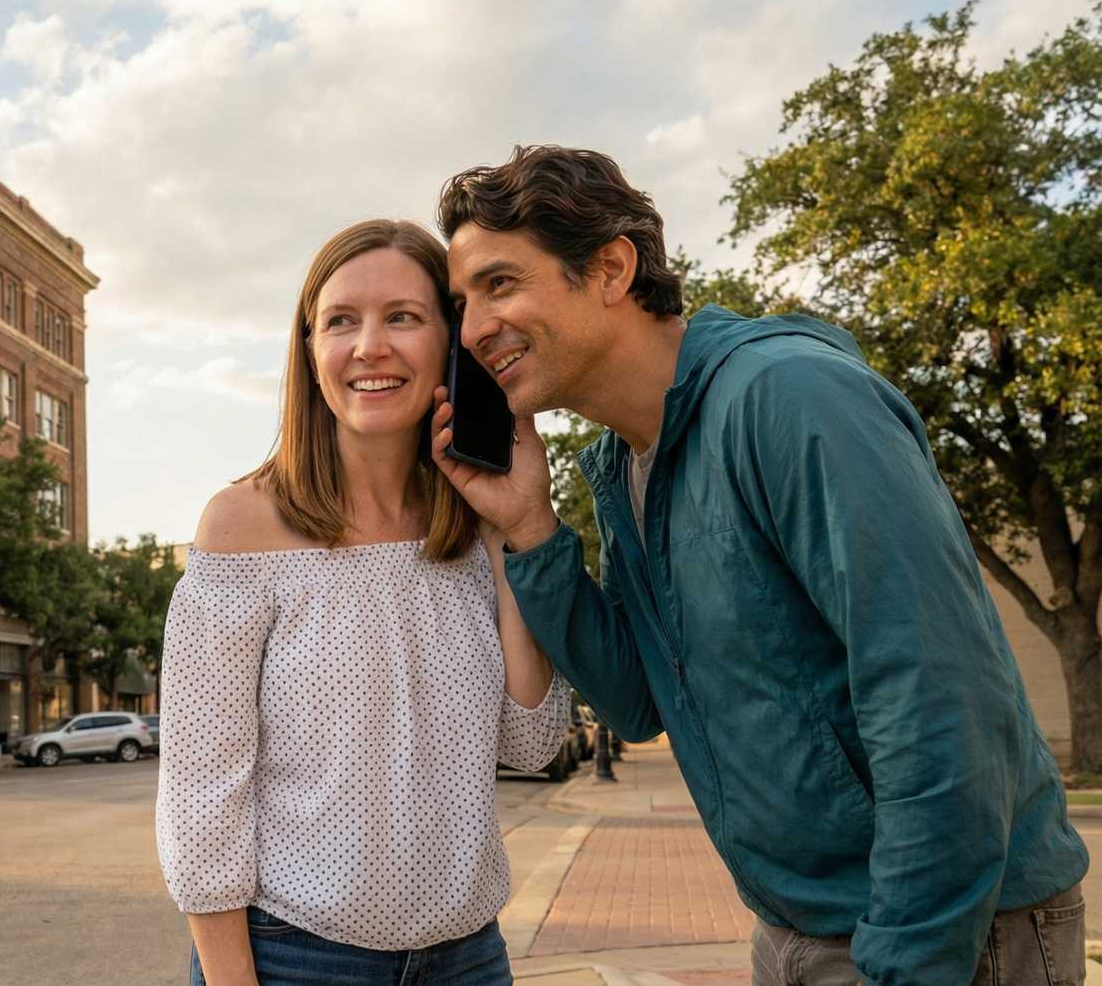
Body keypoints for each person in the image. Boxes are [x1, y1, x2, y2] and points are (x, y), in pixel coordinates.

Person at [429, 145, 1088, 986]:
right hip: (797, 930)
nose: (474, 329)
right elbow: (635, 702)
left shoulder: (789, 397)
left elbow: (939, 701)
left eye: (500, 284)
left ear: (610, 268)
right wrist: (530, 525)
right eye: (461, 303)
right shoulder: (624, 462)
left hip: (946, 930)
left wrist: (910, 959)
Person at [156, 218, 570, 986]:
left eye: (403, 317)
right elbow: (200, 802)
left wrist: (516, 526)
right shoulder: (242, 525)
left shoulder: (477, 519)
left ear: (449, 343)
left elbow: (533, 740)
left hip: (469, 958)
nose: (369, 346)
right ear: (310, 351)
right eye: (340, 320)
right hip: (293, 957)